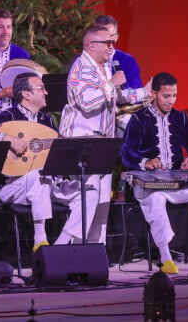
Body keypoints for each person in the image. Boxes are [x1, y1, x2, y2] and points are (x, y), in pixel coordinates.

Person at [121, 72, 188, 274]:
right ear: (154, 94)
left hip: (178, 182)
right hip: (151, 185)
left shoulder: (180, 118)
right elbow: (126, 153)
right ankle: (165, 256)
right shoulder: (139, 119)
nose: (171, 101)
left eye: (174, 95)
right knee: (156, 199)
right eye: (166, 96)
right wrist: (146, 162)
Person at [59, 25, 150, 245]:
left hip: (103, 143)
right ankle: (64, 248)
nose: (111, 47)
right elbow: (86, 102)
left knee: (101, 202)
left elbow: (117, 97)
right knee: (88, 197)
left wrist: (145, 92)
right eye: (106, 43)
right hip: (82, 142)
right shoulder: (80, 68)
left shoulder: (104, 67)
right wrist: (111, 84)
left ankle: (94, 251)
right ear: (90, 45)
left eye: (112, 42)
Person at [0, 72, 81, 252]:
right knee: (39, 175)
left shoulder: (46, 120)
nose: (46, 93)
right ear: (26, 94)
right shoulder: (9, 116)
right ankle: (40, 238)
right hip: (12, 186)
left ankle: (60, 247)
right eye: (41, 88)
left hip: (44, 185)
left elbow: (57, 148)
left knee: (88, 193)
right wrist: (6, 138)